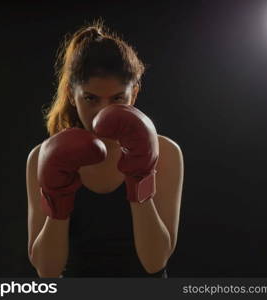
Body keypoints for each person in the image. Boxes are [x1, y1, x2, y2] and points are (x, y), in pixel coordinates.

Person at [26, 20, 184, 278]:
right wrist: (58, 199)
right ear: (70, 93)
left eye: (117, 98)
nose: (102, 111)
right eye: (90, 98)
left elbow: (155, 262)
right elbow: (47, 271)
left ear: (134, 93)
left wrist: (139, 177)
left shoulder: (165, 152)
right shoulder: (43, 158)